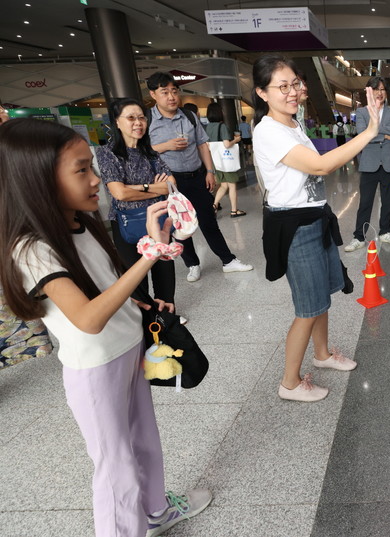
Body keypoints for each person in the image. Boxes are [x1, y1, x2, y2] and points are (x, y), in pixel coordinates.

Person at [0, 118, 211, 537]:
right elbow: (88, 318)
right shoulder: (33, 248)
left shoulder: (80, 222)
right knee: (116, 470)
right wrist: (150, 254)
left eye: (91, 167)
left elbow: (103, 286)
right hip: (95, 369)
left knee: (145, 442)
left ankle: (156, 512)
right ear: (36, 179)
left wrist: (139, 302)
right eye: (81, 170)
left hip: (128, 349)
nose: (96, 179)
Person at [252, 53, 381, 402]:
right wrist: (370, 131)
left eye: (295, 83)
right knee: (307, 309)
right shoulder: (268, 131)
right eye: (282, 86)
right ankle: (289, 383)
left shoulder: (293, 124)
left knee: (321, 296)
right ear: (262, 93)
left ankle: (322, 354)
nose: (292, 92)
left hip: (314, 217)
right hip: (294, 227)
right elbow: (321, 166)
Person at [146, 71, 253, 282]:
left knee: (208, 221)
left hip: (196, 176)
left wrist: (210, 171)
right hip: (170, 183)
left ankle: (228, 260)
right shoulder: (148, 119)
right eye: (164, 92)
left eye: (174, 91)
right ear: (153, 94)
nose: (171, 97)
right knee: (180, 225)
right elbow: (143, 150)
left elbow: (202, 145)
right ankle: (192, 264)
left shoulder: (188, 116)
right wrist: (166, 146)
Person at [97, 98, 183, 321]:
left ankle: (167, 318)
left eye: (142, 117)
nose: (138, 122)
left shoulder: (151, 153)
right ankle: (146, 319)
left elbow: (171, 185)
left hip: (158, 220)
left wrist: (136, 188)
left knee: (164, 270)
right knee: (136, 275)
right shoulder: (107, 153)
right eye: (131, 118)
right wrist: (153, 187)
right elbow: (120, 193)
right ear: (117, 122)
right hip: (126, 223)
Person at [344, 76, 390, 252]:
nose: (380, 93)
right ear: (369, 92)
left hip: (389, 162)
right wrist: (386, 135)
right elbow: (362, 133)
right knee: (365, 202)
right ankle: (359, 237)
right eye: (376, 89)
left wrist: (376, 130)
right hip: (369, 163)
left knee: (388, 201)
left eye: (382, 89)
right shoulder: (362, 112)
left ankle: (385, 231)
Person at [205, 103, 246, 218]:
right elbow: (227, 144)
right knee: (232, 186)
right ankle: (234, 211)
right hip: (226, 160)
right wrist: (236, 140)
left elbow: (207, 145)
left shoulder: (207, 127)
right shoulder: (222, 126)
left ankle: (214, 205)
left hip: (216, 161)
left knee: (223, 185)